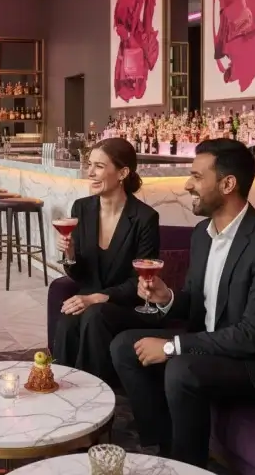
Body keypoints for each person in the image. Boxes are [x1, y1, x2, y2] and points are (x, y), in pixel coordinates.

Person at [110, 138, 255, 468]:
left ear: (227, 184)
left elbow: (253, 336)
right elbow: (198, 304)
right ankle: (162, 445)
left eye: (197, 176)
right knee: (125, 345)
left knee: (182, 367)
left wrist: (172, 347)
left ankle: (188, 467)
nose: (187, 185)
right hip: (217, 343)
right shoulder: (202, 234)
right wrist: (167, 298)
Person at [52, 138, 160, 383]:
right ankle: (60, 387)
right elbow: (80, 274)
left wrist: (97, 297)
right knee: (69, 320)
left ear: (122, 173)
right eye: (89, 164)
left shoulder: (144, 218)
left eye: (99, 166)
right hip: (91, 299)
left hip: (126, 304)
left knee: (94, 315)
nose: (90, 172)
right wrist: (70, 255)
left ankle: (95, 393)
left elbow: (143, 280)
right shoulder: (81, 208)